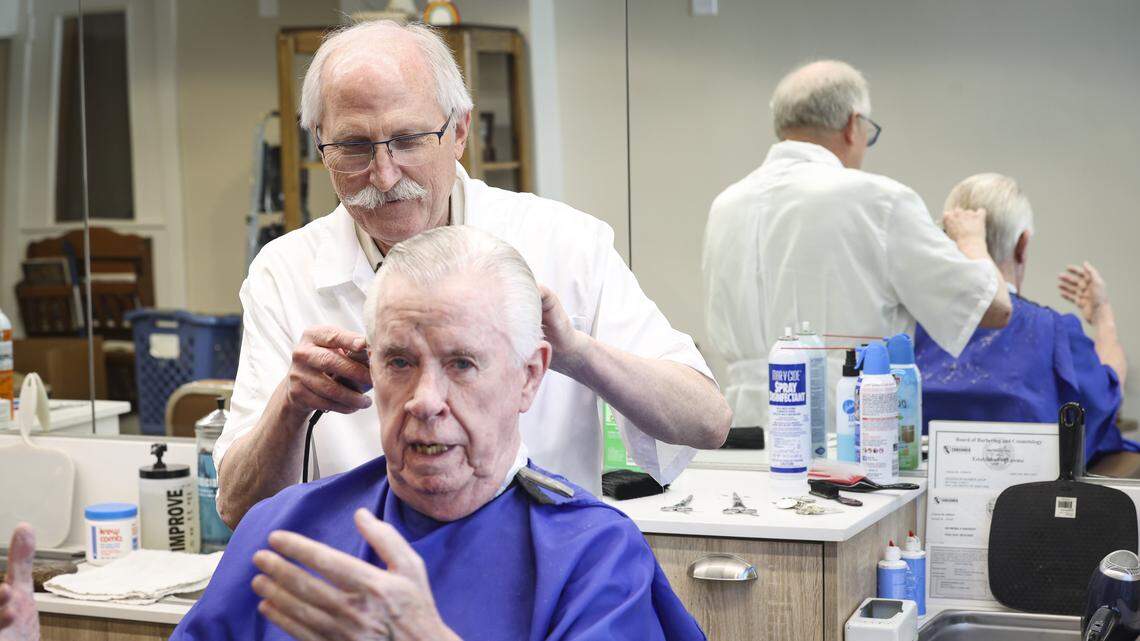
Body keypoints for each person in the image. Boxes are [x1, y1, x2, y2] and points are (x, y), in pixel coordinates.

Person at [0, 227, 707, 641]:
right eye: (399, 361)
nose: (425, 399)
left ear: (529, 377)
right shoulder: (286, 529)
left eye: (462, 363)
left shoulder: (590, 558)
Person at [217, 20, 732, 527]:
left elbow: (706, 422)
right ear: (319, 143)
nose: (384, 174)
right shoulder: (284, 273)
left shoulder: (563, 242)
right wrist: (290, 406)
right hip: (361, 588)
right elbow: (239, 509)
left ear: (459, 131)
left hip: (537, 584)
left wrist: (578, 354)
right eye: (353, 147)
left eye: (409, 139)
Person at [702, 59, 1012, 430]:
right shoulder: (879, 201)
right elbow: (994, 309)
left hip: (742, 434)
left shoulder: (726, 205)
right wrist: (972, 241)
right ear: (853, 125)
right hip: (847, 436)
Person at [916, 173, 1138, 475]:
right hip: (1026, 511)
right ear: (1022, 244)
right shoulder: (1053, 331)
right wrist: (1103, 314)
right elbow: (1106, 397)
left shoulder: (911, 328)